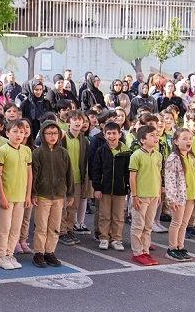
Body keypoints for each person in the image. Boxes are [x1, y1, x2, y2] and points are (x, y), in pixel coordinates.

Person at [31, 122, 73, 268]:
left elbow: (69, 174)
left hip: (59, 195)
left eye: (55, 133)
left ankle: (50, 251)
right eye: (49, 133)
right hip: (42, 195)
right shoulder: (37, 153)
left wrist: (70, 193)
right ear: (43, 135)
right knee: (41, 226)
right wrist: (33, 193)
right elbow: (34, 174)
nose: (52, 136)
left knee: (54, 226)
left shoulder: (63, 153)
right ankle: (39, 253)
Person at [0, 119, 32, 269]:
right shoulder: (2, 150)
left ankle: (10, 254)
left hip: (21, 196)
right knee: (4, 228)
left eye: (21, 132)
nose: (19, 135)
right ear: (7, 133)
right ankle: (1, 255)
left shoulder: (26, 151)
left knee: (16, 228)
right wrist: (1, 196)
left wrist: (28, 195)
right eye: (15, 131)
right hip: (6, 196)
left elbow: (30, 174)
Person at [90, 121, 130, 251]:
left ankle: (116, 239)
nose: (111, 136)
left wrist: (127, 187)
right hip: (104, 189)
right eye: (109, 133)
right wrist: (97, 188)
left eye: (114, 133)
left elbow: (128, 172)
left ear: (120, 134)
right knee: (104, 215)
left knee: (118, 216)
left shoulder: (125, 152)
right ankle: (104, 238)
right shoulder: (101, 151)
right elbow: (96, 170)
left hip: (120, 189)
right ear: (104, 135)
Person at [129, 124, 163, 266]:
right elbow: (132, 177)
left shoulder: (158, 155)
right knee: (138, 225)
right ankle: (137, 252)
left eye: (156, 135)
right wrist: (134, 196)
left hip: (154, 195)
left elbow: (159, 174)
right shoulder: (137, 155)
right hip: (141, 196)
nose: (156, 137)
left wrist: (159, 192)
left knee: (148, 225)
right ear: (143, 140)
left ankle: (145, 251)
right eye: (152, 135)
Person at [163, 129, 195, 261]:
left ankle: (180, 246)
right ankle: (172, 248)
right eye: (184, 138)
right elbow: (170, 180)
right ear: (176, 142)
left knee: (184, 223)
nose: (188, 141)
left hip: (190, 196)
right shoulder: (174, 158)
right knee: (176, 222)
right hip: (179, 197)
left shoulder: (191, 157)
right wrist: (171, 199)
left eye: (190, 138)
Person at [59, 111, 91, 244]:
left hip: (78, 178)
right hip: (63, 178)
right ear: (68, 122)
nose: (78, 122)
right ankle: (61, 232)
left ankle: (69, 229)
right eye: (74, 119)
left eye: (80, 120)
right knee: (63, 206)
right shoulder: (63, 138)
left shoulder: (84, 140)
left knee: (73, 207)